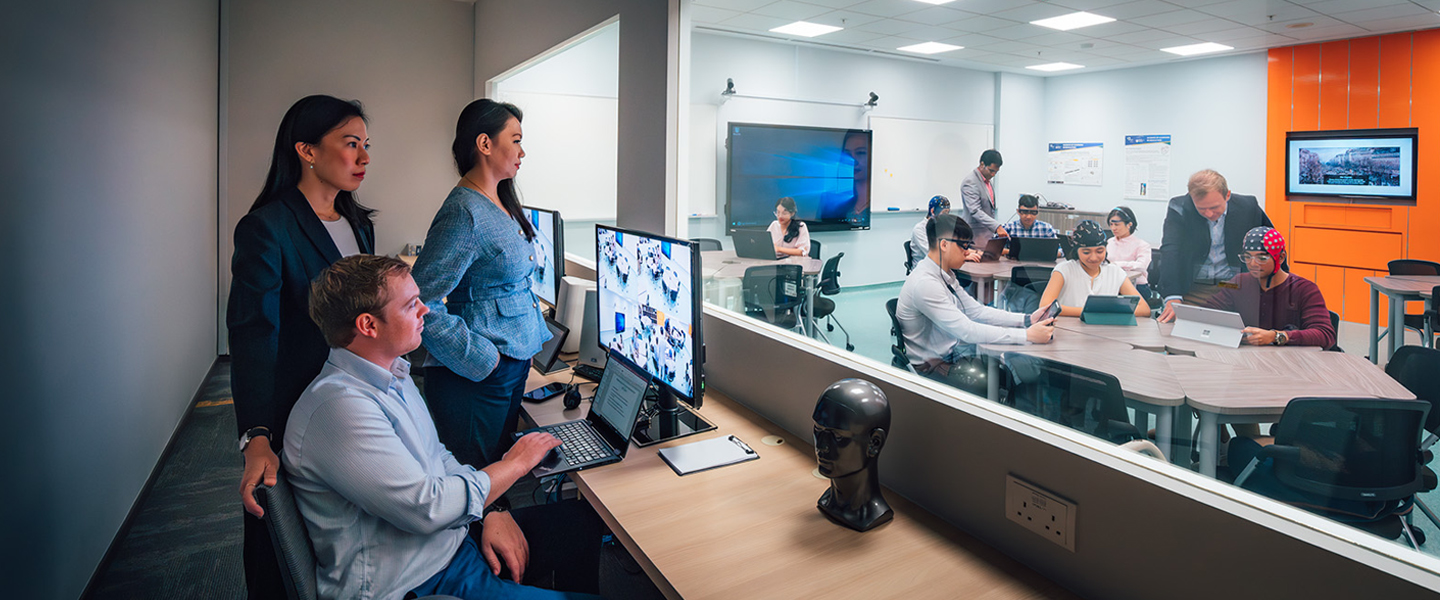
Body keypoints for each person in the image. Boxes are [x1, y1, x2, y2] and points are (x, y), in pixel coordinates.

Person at [285, 255, 602, 600]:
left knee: (580, 521)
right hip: (418, 582)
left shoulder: (390, 371)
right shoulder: (340, 408)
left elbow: (436, 455)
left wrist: (491, 508)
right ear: (368, 326)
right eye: (411, 305)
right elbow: (428, 508)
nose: (426, 310)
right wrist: (515, 464)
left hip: (452, 544)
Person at [226, 94, 375, 599]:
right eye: (350, 144)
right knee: (280, 543)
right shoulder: (267, 228)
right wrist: (257, 434)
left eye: (366, 146)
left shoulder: (359, 222)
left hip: (353, 400)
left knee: (342, 526)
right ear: (306, 150)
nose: (363, 158)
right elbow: (252, 334)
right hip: (294, 406)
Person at [412, 99, 550, 469]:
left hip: (510, 361)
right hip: (478, 372)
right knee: (479, 483)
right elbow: (419, 300)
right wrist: (481, 358)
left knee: (499, 476)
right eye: (516, 139)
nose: (523, 151)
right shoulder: (464, 211)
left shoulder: (499, 201)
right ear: (485, 144)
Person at [897, 214, 1055, 391]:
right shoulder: (926, 284)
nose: (968, 251)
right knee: (1006, 375)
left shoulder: (944, 274)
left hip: (951, 353)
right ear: (944, 245)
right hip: (933, 368)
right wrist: (1027, 336)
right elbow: (967, 331)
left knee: (1011, 366)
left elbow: (976, 311)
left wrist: (1027, 320)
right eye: (964, 246)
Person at [1157, 169, 1272, 323]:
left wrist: (1278, 285)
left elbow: (1272, 245)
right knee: (1179, 330)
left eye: (1215, 207)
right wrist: (1172, 297)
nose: (1209, 214)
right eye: (1202, 209)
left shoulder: (1248, 207)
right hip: (1195, 288)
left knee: (1245, 332)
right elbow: (1171, 250)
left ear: (1227, 195)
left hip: (1235, 287)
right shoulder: (1180, 208)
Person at [1196, 227, 1335, 349]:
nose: (1252, 264)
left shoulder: (1305, 289)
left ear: (1280, 258)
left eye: (1261, 258)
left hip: (1291, 363)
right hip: (1247, 359)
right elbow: (1209, 311)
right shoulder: (1239, 282)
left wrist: (1277, 337)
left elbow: (1325, 334)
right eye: (1247, 257)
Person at [1037, 220, 1150, 318]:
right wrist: (1090, 312)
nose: (1094, 257)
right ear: (1077, 251)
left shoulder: (1115, 272)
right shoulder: (1064, 270)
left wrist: (1105, 313)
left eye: (1100, 251)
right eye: (1086, 252)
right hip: (1068, 332)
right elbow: (1045, 306)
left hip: (1104, 333)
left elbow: (1144, 309)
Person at [959, 149, 1007, 244]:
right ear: (982, 164)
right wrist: (997, 226)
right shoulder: (970, 182)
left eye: (996, 172)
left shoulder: (988, 180)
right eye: (991, 170)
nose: (993, 174)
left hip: (986, 236)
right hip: (973, 236)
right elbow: (975, 211)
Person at [1105, 206, 1153, 299]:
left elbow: (1142, 265)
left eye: (1117, 225)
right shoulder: (1109, 242)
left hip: (1137, 286)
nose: (1113, 228)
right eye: (1111, 224)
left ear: (1129, 224)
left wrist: (1117, 264)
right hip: (1112, 284)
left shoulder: (1142, 245)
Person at [910, 195, 949, 267]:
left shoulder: (941, 227)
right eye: (944, 212)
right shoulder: (919, 229)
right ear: (932, 211)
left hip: (939, 265)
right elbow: (932, 252)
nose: (946, 216)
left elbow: (951, 245)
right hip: (923, 268)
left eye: (947, 213)